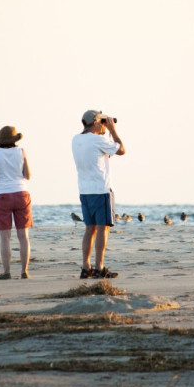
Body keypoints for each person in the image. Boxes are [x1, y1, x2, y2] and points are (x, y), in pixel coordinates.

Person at [72, 110, 125, 279]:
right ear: (95, 122)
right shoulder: (98, 140)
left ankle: (86, 267)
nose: (104, 124)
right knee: (103, 229)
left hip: (85, 190)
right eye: (101, 122)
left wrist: (105, 132)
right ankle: (99, 268)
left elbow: (105, 153)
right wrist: (113, 130)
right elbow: (121, 150)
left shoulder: (76, 139)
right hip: (101, 190)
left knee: (89, 229)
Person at [0, 125, 33, 280]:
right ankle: (24, 271)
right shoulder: (21, 152)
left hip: (2, 195)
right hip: (21, 194)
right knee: (23, 236)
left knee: (5, 237)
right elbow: (28, 175)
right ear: (14, 140)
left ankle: (6, 272)